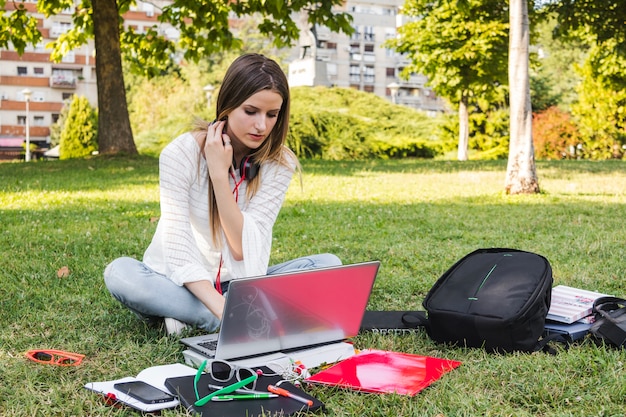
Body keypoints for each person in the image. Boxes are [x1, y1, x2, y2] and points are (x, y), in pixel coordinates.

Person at [104, 53, 341, 335]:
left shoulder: (280, 163)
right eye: (250, 111)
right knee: (120, 273)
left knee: (328, 265)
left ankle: (190, 316)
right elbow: (178, 251)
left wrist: (219, 176)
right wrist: (223, 309)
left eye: (272, 115)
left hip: (241, 283)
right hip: (176, 281)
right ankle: (227, 318)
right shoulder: (180, 154)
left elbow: (242, 250)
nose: (261, 126)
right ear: (227, 106)